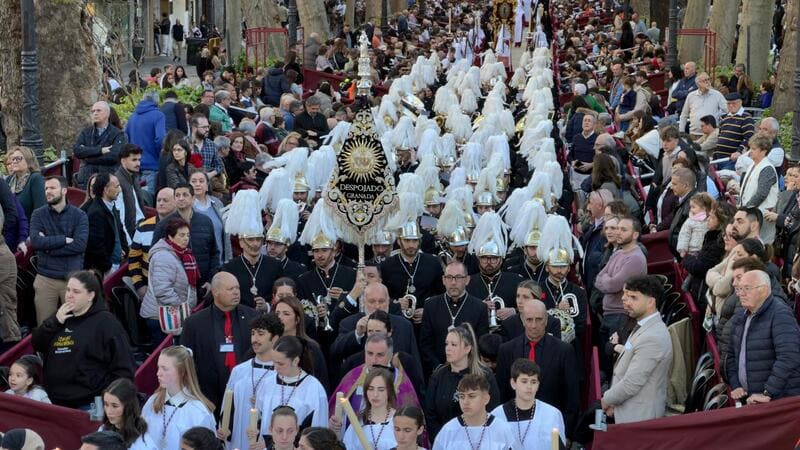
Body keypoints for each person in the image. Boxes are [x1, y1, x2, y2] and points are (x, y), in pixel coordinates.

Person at [31, 270, 134, 408]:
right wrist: (54, 321)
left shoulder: (106, 323)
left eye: (76, 291)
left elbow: (124, 368)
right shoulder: (61, 316)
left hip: (88, 403)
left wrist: (107, 401)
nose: (69, 295)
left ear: (91, 295)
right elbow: (37, 344)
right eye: (68, 290)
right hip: (54, 400)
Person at [495, 299, 578, 440]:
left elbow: (572, 397)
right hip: (514, 428)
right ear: (522, 321)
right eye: (529, 320)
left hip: (551, 428)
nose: (534, 325)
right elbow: (501, 393)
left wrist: (566, 434)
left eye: (538, 319)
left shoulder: (564, 351)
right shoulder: (506, 350)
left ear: (546, 320)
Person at [181, 272, 258, 409]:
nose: (236, 292)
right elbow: (186, 361)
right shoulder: (194, 323)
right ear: (215, 292)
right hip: (208, 394)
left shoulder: (253, 316)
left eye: (237, 288)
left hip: (245, 392)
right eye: (230, 289)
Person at [601, 275, 673, 423]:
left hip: (638, 417)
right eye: (625, 296)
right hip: (628, 409)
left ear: (650, 302)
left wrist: (606, 400)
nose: (625, 301)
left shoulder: (652, 337)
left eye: (633, 297)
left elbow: (630, 384)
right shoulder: (643, 324)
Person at [727, 270, 800, 402]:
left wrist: (768, 392)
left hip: (776, 401)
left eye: (747, 288)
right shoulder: (740, 316)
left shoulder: (780, 314)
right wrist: (736, 385)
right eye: (739, 289)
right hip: (749, 398)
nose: (740, 294)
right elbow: (731, 355)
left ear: (764, 290)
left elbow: (789, 357)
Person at [29, 176, 89, 325]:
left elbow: (80, 246)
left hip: (71, 280)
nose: (48, 191)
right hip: (45, 279)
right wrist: (63, 240)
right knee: (45, 326)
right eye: (46, 189)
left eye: (52, 188)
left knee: (75, 327)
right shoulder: (38, 214)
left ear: (64, 190)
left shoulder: (79, 215)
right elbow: (36, 242)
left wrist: (48, 248)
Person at [424, 323, 501, 440]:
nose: (448, 348)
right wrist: (442, 440)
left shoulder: (485, 376)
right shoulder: (438, 376)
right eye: (446, 344)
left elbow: (493, 411)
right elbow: (430, 414)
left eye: (454, 345)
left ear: (467, 348)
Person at [219, 313, 284, 450]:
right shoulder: (239, 370)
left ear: (275, 338)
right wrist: (226, 430)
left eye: (260, 334)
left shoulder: (281, 373)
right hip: (238, 438)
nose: (254, 339)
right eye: (253, 333)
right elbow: (228, 406)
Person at [140, 346, 216, 450]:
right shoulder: (152, 402)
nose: (158, 373)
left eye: (165, 369)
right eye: (158, 367)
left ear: (182, 372)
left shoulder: (198, 412)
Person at [419, 261, 489, 373]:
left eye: (458, 277)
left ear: (467, 280)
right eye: (449, 277)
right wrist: (438, 367)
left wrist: (466, 367)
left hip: (468, 372)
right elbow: (425, 344)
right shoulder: (431, 306)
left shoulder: (479, 307)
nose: (453, 282)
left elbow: (479, 344)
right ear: (443, 280)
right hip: (437, 371)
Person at [258, 336, 328, 440]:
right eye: (273, 362)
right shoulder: (267, 383)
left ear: (295, 361)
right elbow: (259, 418)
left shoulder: (313, 388)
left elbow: (317, 431)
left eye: (280, 363)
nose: (275, 367)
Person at [139, 216, 198, 342]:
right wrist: (182, 308)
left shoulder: (181, 254)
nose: (186, 239)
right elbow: (163, 290)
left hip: (170, 315)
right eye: (181, 235)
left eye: (187, 235)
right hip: (160, 317)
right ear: (170, 237)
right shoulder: (163, 256)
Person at [594, 216, 647, 356]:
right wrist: (607, 280)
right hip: (609, 314)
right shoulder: (618, 253)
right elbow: (598, 279)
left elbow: (612, 285)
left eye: (623, 230)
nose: (618, 232)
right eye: (617, 228)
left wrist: (607, 280)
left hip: (621, 316)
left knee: (612, 360)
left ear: (635, 234)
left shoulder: (635, 258)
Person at [152, 183, 220, 290]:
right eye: (177, 195)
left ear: (193, 198)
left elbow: (214, 253)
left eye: (185, 195)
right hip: (176, 287)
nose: (181, 198)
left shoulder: (205, 221)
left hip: (204, 285)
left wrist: (210, 280)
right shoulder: (164, 225)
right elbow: (155, 256)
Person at [491, 359, 565, 449]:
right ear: (513, 383)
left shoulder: (552, 415)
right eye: (524, 381)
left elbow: (556, 447)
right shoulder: (497, 415)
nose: (529, 386)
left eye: (533, 382)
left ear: (538, 385)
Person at [431, 373, 515, 450]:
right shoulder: (448, 431)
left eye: (471, 396)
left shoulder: (502, 429)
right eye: (462, 396)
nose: (465, 402)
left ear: (486, 399)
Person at [129, 186, 177, 298]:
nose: (161, 203)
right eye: (158, 200)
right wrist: (139, 285)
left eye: (165, 200)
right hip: (149, 287)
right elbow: (133, 260)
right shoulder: (142, 227)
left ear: (175, 202)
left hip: (176, 287)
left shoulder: (183, 227)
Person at [340, 368, 399, 450]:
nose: (375, 394)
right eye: (371, 389)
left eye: (381, 390)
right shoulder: (358, 421)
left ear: (389, 391)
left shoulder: (399, 420)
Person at [73, 101, 127, 190]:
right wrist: (100, 150)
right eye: (93, 111)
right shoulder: (86, 132)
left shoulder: (118, 134)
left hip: (107, 180)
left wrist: (87, 157)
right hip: (85, 181)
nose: (95, 113)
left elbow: (114, 156)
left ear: (107, 113)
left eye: (98, 110)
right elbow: (77, 151)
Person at [84, 173, 127, 275]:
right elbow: (96, 245)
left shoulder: (111, 205)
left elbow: (119, 231)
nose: (120, 190)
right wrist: (108, 267)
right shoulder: (96, 213)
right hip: (106, 270)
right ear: (106, 190)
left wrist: (123, 249)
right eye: (116, 187)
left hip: (117, 262)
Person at [738, 135, 779, 244]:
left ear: (763, 151)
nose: (750, 151)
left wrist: (745, 209)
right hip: (750, 212)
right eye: (750, 148)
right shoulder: (753, 165)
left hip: (762, 215)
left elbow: (761, 194)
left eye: (754, 149)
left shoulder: (767, 168)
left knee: (761, 245)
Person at [125, 90, 166, 194]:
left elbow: (126, 137)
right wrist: (158, 154)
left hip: (134, 164)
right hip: (151, 164)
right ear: (157, 102)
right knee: (147, 199)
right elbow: (161, 138)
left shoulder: (132, 116)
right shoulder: (158, 115)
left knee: (134, 198)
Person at [189, 171, 229, 263]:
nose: (197, 184)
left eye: (201, 181)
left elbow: (225, 235)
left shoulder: (217, 204)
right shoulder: (186, 207)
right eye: (194, 181)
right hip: (196, 262)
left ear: (207, 186)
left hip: (219, 262)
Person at [101, 378, 148, 448]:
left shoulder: (142, 443)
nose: (108, 411)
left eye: (115, 406)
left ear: (128, 407)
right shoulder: (103, 429)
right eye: (106, 404)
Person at [114, 144, 147, 242]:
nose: (138, 164)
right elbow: (120, 218)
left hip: (141, 228)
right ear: (123, 161)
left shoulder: (134, 177)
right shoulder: (117, 182)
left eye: (139, 160)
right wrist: (128, 243)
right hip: (131, 235)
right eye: (134, 160)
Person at [714, 92, 755, 170]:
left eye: (734, 103)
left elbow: (749, 137)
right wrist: (715, 155)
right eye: (728, 103)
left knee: (724, 178)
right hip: (719, 158)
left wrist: (739, 151)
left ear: (740, 102)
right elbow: (720, 137)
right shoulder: (725, 118)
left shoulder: (747, 118)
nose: (731, 105)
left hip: (733, 160)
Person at [5, 145, 45, 221]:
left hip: (30, 227)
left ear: (28, 160)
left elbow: (40, 209)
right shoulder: (9, 180)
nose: (14, 161)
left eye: (18, 158)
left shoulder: (35, 178)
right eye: (13, 159)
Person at [668, 168, 698, 255]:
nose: (671, 187)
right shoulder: (684, 201)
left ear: (685, 185)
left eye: (674, 184)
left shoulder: (693, 206)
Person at [677, 192, 714, 258]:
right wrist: (683, 250)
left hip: (705, 251)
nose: (691, 209)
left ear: (703, 208)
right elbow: (684, 235)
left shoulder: (709, 219)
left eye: (693, 207)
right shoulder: (690, 221)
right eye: (690, 207)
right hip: (692, 252)